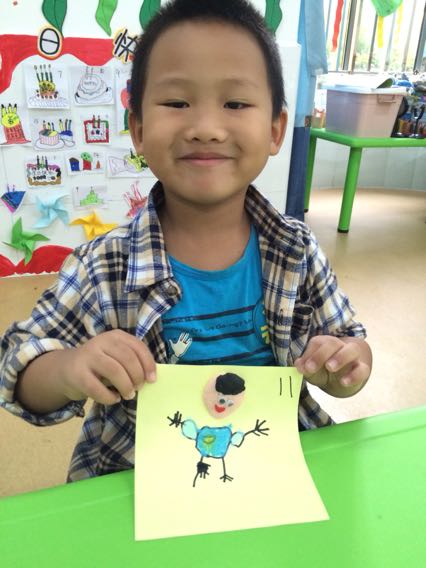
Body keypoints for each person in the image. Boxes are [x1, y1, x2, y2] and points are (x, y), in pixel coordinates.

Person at [0, 0, 372, 482]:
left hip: (270, 468)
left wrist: (346, 367)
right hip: (138, 475)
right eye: (177, 103)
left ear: (275, 130)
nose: (206, 129)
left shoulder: (296, 251)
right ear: (137, 129)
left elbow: (347, 349)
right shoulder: (103, 265)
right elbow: (17, 368)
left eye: (235, 104)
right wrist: (70, 368)